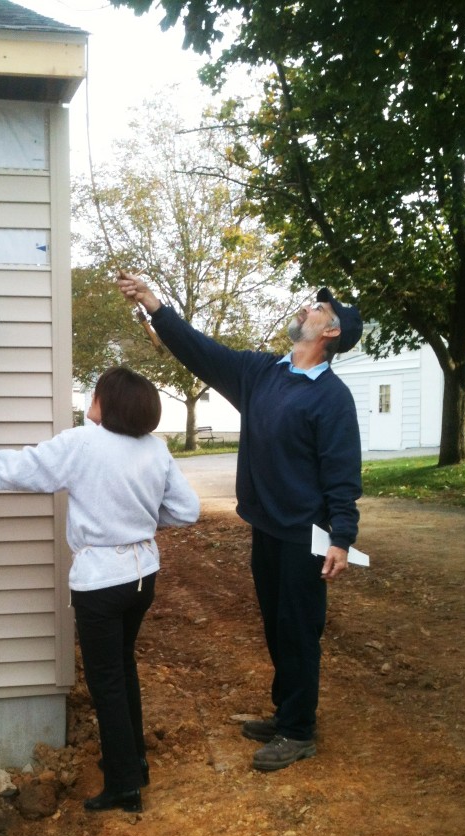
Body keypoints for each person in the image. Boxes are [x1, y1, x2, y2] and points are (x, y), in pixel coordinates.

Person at [117, 273, 362, 772]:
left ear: (331, 332)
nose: (307, 310)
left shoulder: (332, 398)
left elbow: (341, 470)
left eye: (319, 310)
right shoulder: (261, 373)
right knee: (276, 625)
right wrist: (155, 306)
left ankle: (298, 731)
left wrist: (342, 536)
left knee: (298, 628)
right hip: (266, 526)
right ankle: (286, 711)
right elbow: (201, 351)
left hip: (304, 534)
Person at [0, 366, 200, 812]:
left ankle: (124, 785)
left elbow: (20, 467)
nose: (89, 402)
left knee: (106, 682)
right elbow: (186, 509)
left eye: (95, 394)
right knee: (123, 669)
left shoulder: (83, 444)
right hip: (143, 576)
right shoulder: (155, 451)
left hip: (101, 582)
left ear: (107, 402)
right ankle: (133, 761)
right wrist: (138, 525)